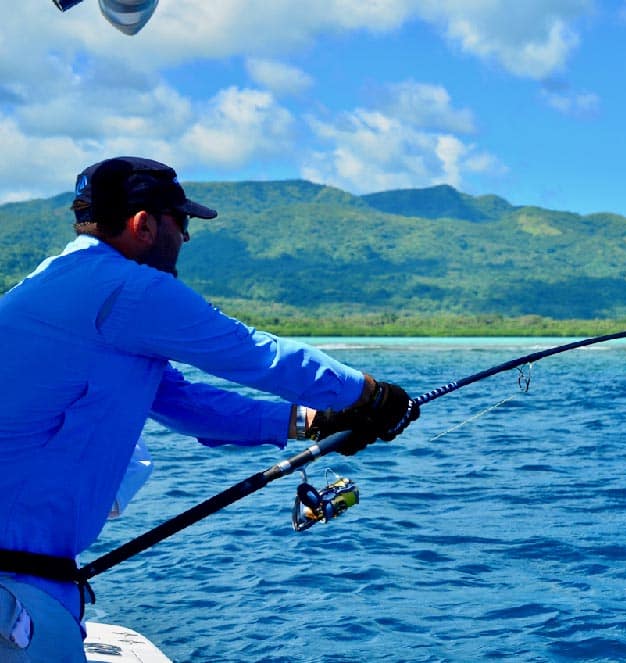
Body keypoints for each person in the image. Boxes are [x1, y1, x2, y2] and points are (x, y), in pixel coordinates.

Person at [0, 156, 419, 661]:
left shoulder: (58, 283)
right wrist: (372, 395)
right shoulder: (128, 289)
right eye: (182, 223)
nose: (187, 240)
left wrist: (314, 422)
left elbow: (182, 402)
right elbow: (257, 355)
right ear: (144, 224)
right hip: (16, 586)